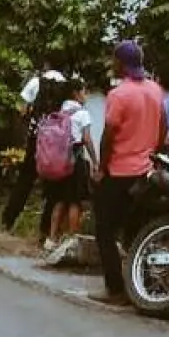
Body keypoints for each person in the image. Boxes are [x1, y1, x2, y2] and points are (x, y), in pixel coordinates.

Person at [91, 41, 166, 305]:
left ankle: (115, 289)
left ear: (120, 63)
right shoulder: (156, 90)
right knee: (137, 232)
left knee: (104, 230)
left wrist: (101, 169)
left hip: (119, 172)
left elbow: (108, 135)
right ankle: (142, 287)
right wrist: (150, 152)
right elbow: (163, 128)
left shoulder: (119, 94)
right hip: (146, 172)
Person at [1, 62, 65, 233]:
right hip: (56, 143)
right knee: (53, 188)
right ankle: (45, 232)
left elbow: (22, 109)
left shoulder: (36, 82)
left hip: (36, 138)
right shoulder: (65, 86)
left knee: (25, 181)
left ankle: (8, 220)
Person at [41, 78, 97, 264]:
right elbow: (87, 139)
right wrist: (95, 161)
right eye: (84, 91)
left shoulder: (59, 112)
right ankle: (72, 240)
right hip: (75, 162)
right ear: (76, 93)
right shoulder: (82, 114)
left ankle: (51, 239)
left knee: (58, 201)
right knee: (75, 202)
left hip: (58, 163)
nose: (86, 95)